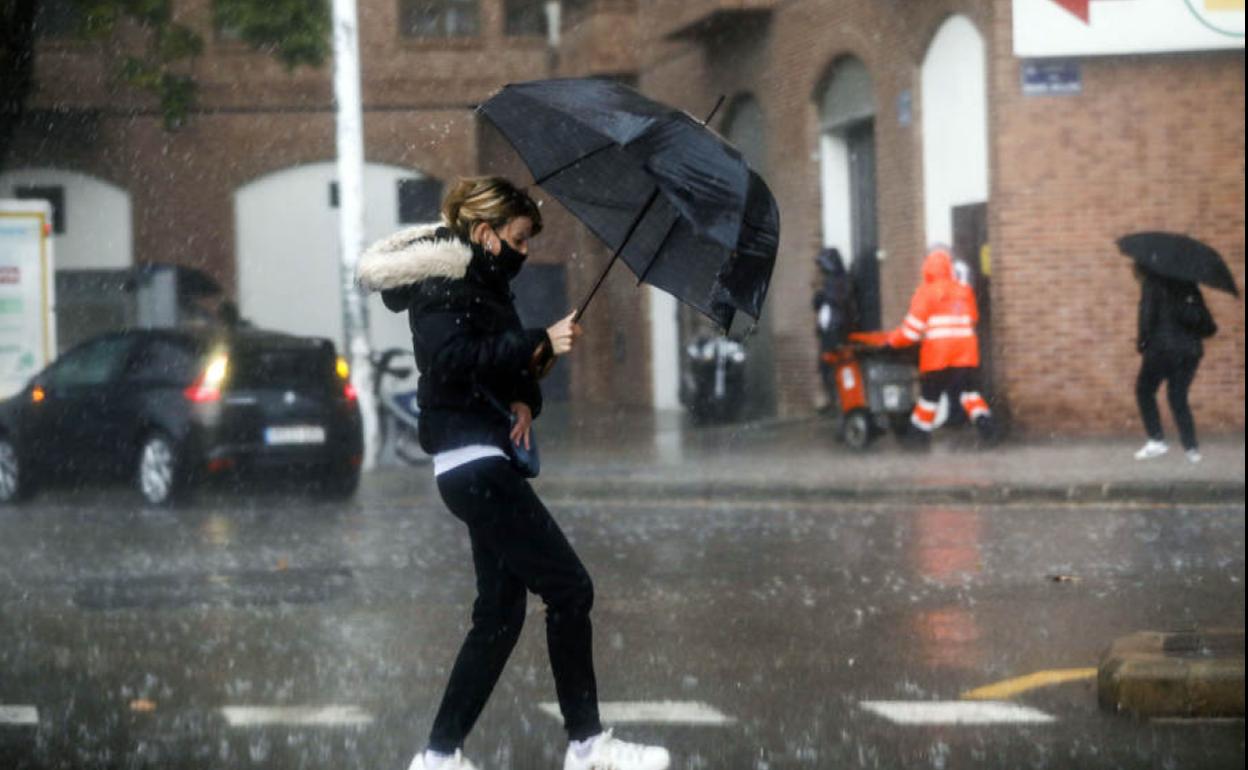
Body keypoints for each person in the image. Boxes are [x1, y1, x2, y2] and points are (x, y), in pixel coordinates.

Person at [357, 176, 671, 770]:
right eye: (520, 238)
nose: (526, 251)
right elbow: (449, 363)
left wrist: (530, 387)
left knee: (500, 611)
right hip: (472, 463)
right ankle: (587, 746)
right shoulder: (444, 280)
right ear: (485, 232)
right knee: (570, 588)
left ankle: (439, 756)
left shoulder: (484, 281)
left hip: (483, 458)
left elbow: (494, 367)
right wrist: (534, 339)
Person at [884, 246, 996, 448]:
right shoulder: (965, 291)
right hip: (966, 355)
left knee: (929, 397)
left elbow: (911, 332)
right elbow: (973, 318)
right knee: (969, 394)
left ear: (927, 268)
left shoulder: (924, 293)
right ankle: (987, 426)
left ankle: (918, 436)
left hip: (938, 357)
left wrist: (892, 340)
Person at [1133, 266, 1215, 463]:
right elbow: (1207, 324)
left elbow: (1146, 318)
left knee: (1144, 390)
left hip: (1162, 350)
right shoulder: (1190, 286)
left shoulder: (1152, 284)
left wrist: (1142, 344)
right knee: (1178, 397)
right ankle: (1191, 449)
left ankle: (1156, 440)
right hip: (1190, 352)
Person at [811, 247, 856, 411]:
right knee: (824, 367)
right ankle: (832, 398)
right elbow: (818, 305)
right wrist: (818, 297)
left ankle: (842, 401)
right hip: (826, 331)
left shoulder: (843, 279)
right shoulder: (826, 282)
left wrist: (826, 295)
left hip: (837, 331)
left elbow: (842, 300)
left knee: (840, 366)